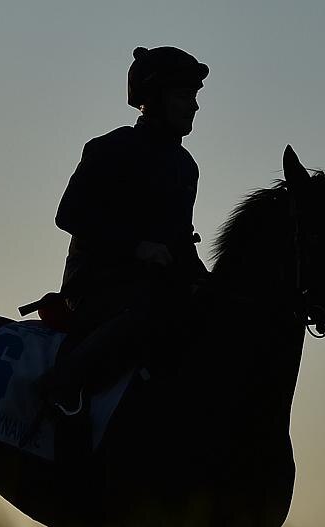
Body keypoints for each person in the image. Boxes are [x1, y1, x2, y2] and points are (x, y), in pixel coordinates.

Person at [44, 46, 211, 414]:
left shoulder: (186, 167)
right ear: (152, 98)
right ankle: (64, 384)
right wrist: (137, 248)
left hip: (156, 288)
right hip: (96, 287)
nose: (194, 106)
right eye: (185, 96)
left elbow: (181, 243)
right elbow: (69, 214)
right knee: (154, 310)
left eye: (195, 97)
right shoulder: (111, 148)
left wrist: (207, 283)